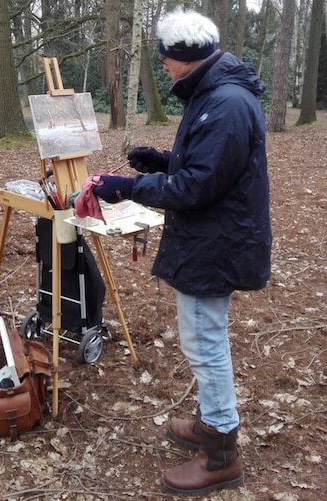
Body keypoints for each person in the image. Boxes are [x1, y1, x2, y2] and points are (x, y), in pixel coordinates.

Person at [93, 7, 272, 496]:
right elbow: (207, 166)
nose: (164, 66)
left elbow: (198, 186)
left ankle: (221, 453)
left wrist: (128, 187)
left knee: (205, 342)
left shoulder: (226, 103)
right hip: (213, 238)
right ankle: (211, 422)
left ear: (185, 56)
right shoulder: (215, 93)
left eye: (166, 58)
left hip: (217, 244)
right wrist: (161, 161)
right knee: (204, 337)